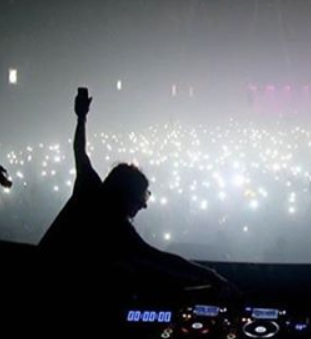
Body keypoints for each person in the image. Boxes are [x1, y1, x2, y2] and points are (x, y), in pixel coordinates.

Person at [39, 89, 233, 299]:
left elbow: (79, 149)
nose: (144, 205)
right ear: (125, 194)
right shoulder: (116, 227)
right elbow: (160, 259)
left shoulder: (89, 188)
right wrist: (211, 276)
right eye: (141, 198)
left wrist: (81, 118)